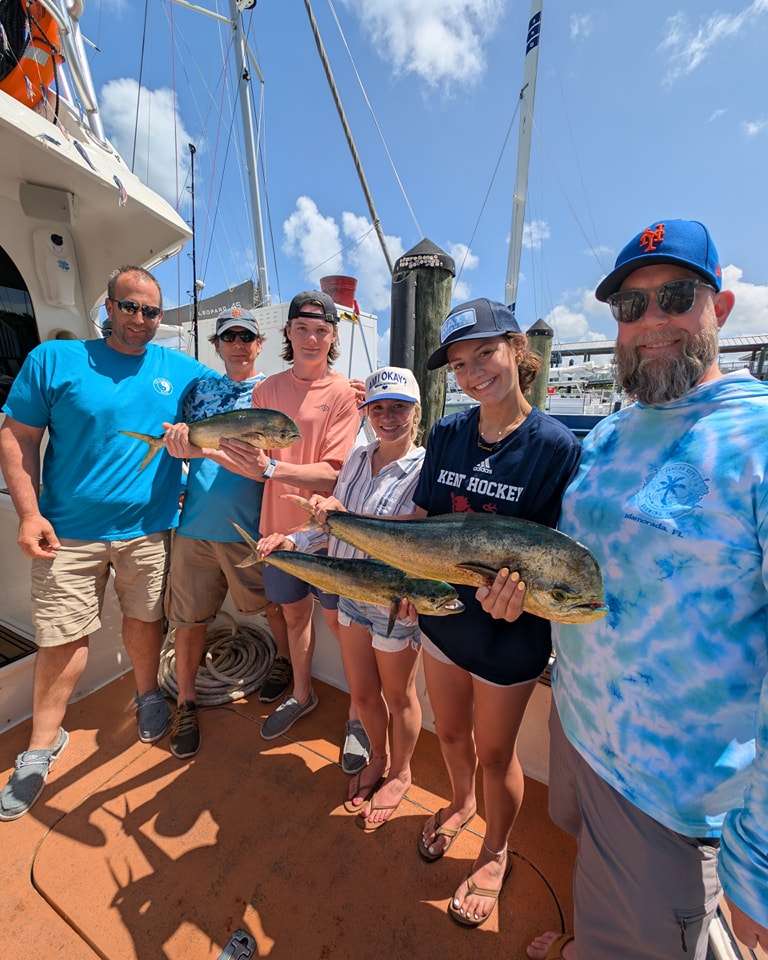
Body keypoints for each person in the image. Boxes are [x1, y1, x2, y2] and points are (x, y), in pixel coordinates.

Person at [513, 219, 768, 960]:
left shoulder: (757, 440)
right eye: (630, 307)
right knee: (589, 872)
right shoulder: (615, 432)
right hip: (580, 729)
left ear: (717, 308)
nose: (651, 321)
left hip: (674, 801)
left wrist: (757, 869)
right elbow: (580, 566)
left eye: (675, 297)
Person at [0, 266, 214, 821]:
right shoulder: (53, 360)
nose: (139, 319)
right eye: (129, 307)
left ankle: (148, 697)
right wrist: (28, 514)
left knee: (146, 622)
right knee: (62, 643)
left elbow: (234, 403)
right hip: (65, 532)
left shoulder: (183, 372)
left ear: (159, 317)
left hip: (149, 530)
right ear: (108, 308)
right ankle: (42, 745)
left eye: (149, 311)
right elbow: (18, 435)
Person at [412, 298, 581, 927]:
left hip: (511, 635)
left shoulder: (556, 447)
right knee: (450, 734)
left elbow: (555, 556)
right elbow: (427, 522)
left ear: (516, 350)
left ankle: (496, 847)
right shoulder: (448, 433)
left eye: (484, 352)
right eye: (459, 363)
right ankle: (459, 806)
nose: (473, 371)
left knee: (494, 754)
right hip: (443, 619)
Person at [259, 366, 425, 830]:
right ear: (366, 412)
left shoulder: (426, 469)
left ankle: (401, 771)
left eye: (399, 407)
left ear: (416, 411)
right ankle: (376, 758)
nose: (388, 416)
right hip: (349, 598)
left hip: (394, 608)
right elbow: (333, 529)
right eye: (378, 408)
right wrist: (294, 542)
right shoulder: (355, 458)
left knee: (399, 695)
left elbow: (420, 546)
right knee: (366, 694)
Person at [218, 290, 361, 741]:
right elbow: (249, 459)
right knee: (293, 615)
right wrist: (192, 446)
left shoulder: (344, 393)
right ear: (288, 332)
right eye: (302, 328)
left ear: (333, 336)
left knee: (342, 624)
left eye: (321, 330)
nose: (312, 338)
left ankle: (360, 714)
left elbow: (336, 473)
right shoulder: (266, 390)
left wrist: (273, 468)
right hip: (277, 529)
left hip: (327, 533)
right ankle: (302, 694)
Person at [161, 307, 271, 760]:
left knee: (273, 607)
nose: (239, 343)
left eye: (247, 336)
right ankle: (186, 702)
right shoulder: (199, 389)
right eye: (231, 336)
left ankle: (282, 664)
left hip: (250, 528)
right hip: (194, 528)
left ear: (259, 344)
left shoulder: (271, 391)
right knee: (188, 620)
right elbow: (180, 442)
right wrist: (181, 485)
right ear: (218, 344)